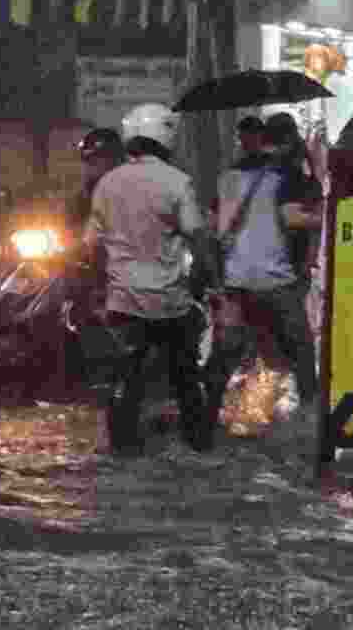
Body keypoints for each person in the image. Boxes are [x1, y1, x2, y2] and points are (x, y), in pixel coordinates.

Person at [85, 103, 218, 455]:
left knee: (124, 378)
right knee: (186, 377)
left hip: (123, 301)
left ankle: (122, 449)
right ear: (166, 138)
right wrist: (208, 279)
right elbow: (197, 237)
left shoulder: (107, 184)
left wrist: (100, 290)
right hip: (169, 301)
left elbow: (91, 247)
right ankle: (198, 443)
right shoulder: (177, 182)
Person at [204, 118, 325, 439]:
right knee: (302, 350)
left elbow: (214, 224)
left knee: (227, 351)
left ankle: (207, 419)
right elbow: (292, 218)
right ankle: (310, 422)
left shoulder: (228, 176)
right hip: (275, 281)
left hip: (235, 280)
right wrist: (323, 216)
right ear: (286, 142)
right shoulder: (285, 175)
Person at [66, 128, 126, 244]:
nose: (89, 166)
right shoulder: (84, 195)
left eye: (95, 160)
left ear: (115, 159)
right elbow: (69, 225)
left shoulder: (129, 191)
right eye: (87, 161)